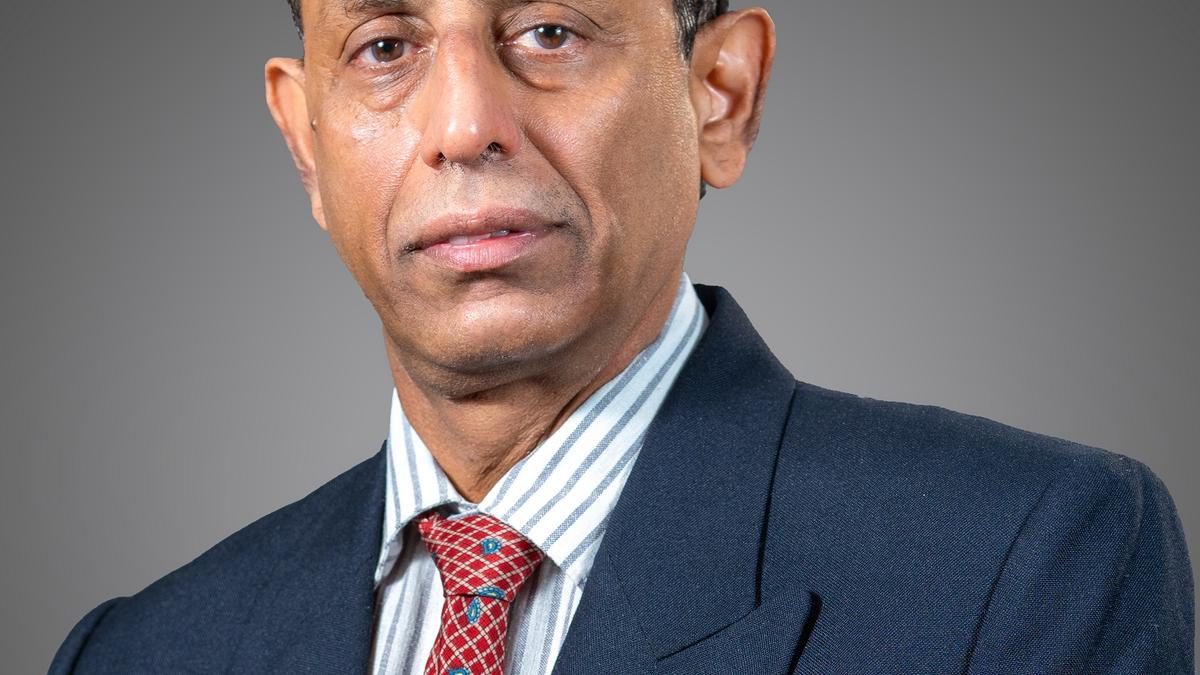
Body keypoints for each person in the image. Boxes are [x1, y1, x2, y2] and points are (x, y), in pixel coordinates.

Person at [51, 0, 1192, 672]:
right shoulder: (139, 653)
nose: (464, 126)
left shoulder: (1025, 563)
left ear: (720, 94)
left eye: (550, 30)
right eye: (385, 47)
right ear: (305, 140)